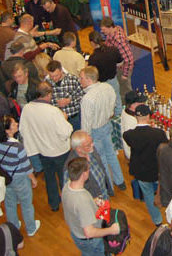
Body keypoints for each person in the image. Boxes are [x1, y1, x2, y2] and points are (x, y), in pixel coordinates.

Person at [19, 81, 72, 212]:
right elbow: (66, 131)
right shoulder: (54, 111)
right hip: (60, 151)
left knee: (49, 178)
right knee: (64, 178)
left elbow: (23, 130)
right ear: (48, 94)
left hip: (42, 151)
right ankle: (68, 203)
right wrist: (64, 118)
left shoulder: (27, 108)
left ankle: (54, 204)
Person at [79, 66, 126, 191]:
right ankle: (120, 181)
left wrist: (86, 141)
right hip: (107, 125)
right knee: (111, 154)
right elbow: (115, 106)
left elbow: (86, 123)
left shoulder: (87, 99)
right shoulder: (108, 88)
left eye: (82, 78)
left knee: (102, 159)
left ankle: (109, 186)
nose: (80, 80)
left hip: (95, 131)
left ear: (89, 79)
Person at [62, 157, 121, 254]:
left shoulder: (68, 185)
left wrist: (93, 201)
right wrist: (112, 230)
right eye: (88, 169)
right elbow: (90, 232)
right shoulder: (82, 200)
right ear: (84, 174)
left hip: (76, 233)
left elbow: (74, 205)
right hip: (91, 240)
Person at [123, 104, 167, 226]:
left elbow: (129, 135)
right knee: (165, 192)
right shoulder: (158, 134)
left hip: (141, 171)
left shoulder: (129, 135)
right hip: (156, 170)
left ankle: (157, 220)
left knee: (148, 195)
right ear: (148, 116)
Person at [0, 115, 40, 236]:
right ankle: (31, 228)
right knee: (26, 203)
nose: (17, 123)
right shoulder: (18, 147)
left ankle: (13, 226)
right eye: (13, 124)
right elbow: (26, 166)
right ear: (7, 130)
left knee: (9, 203)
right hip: (20, 178)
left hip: (6, 177)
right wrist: (33, 179)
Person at [64, 130, 113, 201]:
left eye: (92, 142)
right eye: (88, 145)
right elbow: (71, 195)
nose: (92, 145)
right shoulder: (71, 167)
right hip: (93, 200)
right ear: (78, 149)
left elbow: (102, 168)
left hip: (103, 194)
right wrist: (92, 201)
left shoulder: (90, 149)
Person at [87, 30, 123, 117]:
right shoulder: (113, 50)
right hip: (113, 80)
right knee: (117, 100)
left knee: (106, 103)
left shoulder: (93, 58)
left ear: (92, 42)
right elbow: (120, 63)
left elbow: (92, 74)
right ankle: (120, 118)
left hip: (102, 84)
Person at [45, 60, 84, 131]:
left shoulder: (73, 79)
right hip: (57, 120)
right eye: (51, 76)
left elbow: (82, 96)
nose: (54, 78)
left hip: (73, 118)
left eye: (56, 75)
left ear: (61, 71)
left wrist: (70, 100)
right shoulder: (47, 83)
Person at [100, 17, 134, 92]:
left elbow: (129, 59)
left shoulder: (119, 41)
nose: (102, 32)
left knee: (125, 90)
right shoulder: (113, 31)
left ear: (110, 27)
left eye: (104, 29)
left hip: (123, 69)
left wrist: (125, 75)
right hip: (118, 66)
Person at [121, 89, 144, 160]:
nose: (143, 103)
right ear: (132, 105)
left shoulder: (125, 111)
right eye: (140, 102)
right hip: (135, 155)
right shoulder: (132, 121)